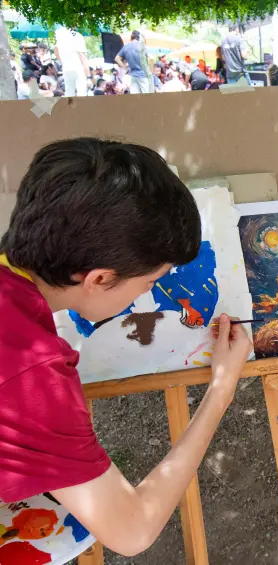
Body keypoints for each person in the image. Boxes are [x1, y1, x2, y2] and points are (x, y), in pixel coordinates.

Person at [0, 138, 253, 556]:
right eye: (152, 282)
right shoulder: (33, 374)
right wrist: (221, 389)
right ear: (99, 279)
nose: (154, 292)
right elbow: (132, 531)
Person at [55, 27, 89, 97]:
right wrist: (89, 76)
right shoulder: (77, 36)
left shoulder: (60, 34)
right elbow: (82, 56)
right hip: (78, 67)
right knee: (81, 91)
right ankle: (83, 107)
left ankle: (69, 107)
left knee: (69, 91)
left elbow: (55, 50)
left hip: (67, 68)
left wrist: (62, 62)